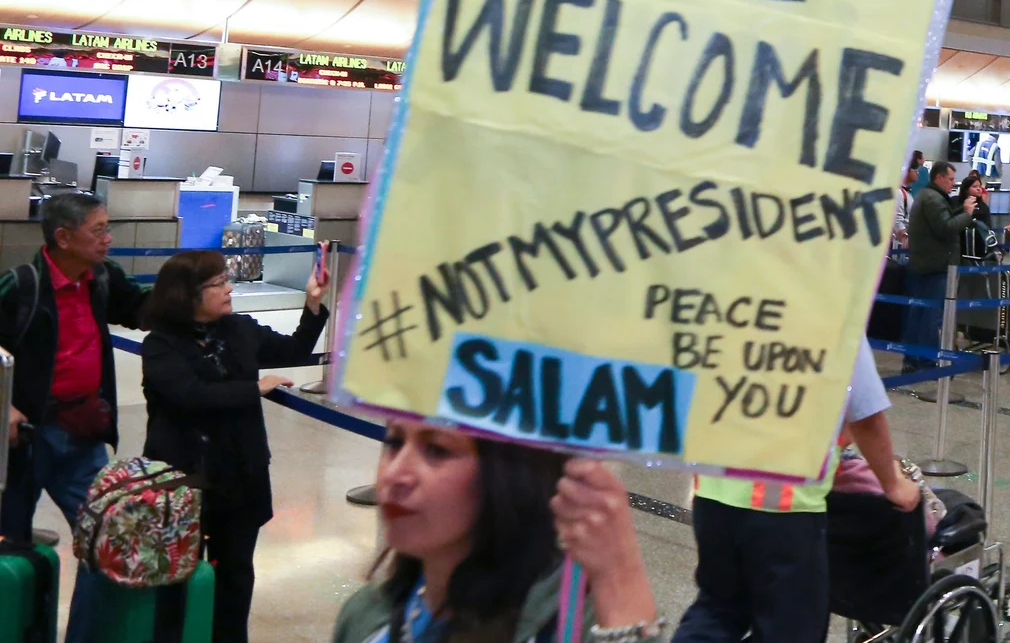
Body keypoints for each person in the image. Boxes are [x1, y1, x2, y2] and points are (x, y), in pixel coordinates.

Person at [139, 248, 331, 643]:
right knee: (179, 574)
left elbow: (294, 350)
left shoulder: (240, 329)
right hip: (184, 478)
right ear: (188, 295)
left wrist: (312, 304)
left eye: (228, 280)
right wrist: (252, 388)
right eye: (219, 283)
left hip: (241, 473)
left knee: (236, 574)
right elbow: (190, 395)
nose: (229, 289)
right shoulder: (161, 346)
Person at [676, 336, 918, 643]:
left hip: (713, 496)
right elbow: (866, 418)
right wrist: (894, 485)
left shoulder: (734, 311)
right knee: (792, 626)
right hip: (785, 510)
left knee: (717, 609)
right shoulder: (833, 319)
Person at [331, 424, 661, 642]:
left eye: (437, 450)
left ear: (507, 474)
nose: (395, 473)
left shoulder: (576, 626)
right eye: (394, 442)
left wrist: (622, 579)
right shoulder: (364, 617)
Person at [0, 192, 151, 640]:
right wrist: (2, 404)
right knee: (11, 549)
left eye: (108, 228)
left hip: (81, 437)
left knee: (108, 540)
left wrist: (193, 294)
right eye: (99, 230)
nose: (108, 238)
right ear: (63, 237)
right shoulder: (20, 285)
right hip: (24, 440)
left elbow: (142, 308)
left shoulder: (102, 278)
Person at [901, 162, 978, 373]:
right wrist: (967, 214)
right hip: (935, 266)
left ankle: (913, 360)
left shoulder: (928, 197)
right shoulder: (933, 199)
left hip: (925, 264)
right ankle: (927, 363)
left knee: (919, 314)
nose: (953, 183)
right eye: (951, 179)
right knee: (930, 316)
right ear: (939, 178)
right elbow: (946, 227)